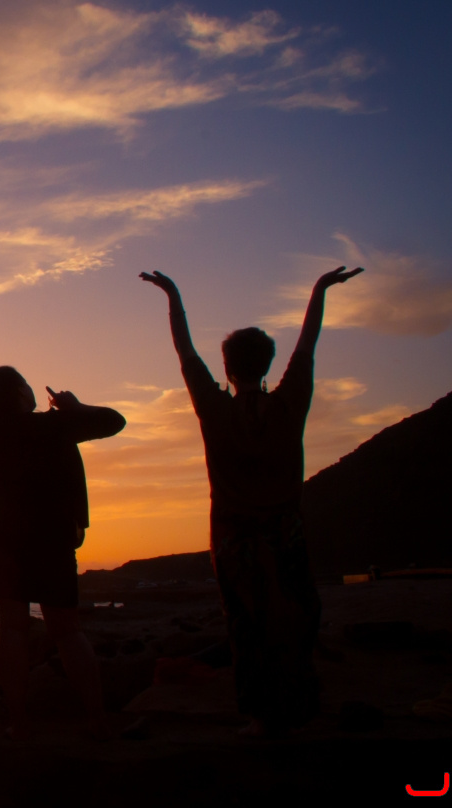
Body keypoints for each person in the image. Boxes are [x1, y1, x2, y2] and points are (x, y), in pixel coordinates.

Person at [141, 265, 362, 737]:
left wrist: (172, 294)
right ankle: (299, 708)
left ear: (227, 368)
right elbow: (307, 345)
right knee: (295, 622)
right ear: (267, 365)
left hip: (234, 539)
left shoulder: (214, 408)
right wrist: (320, 289)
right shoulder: (289, 403)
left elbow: (185, 351)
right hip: (286, 535)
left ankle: (261, 717)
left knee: (247, 627)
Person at [0, 336, 124, 741]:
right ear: (19, 393)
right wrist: (75, 407)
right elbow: (114, 421)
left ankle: (19, 723)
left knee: (12, 629)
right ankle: (97, 718)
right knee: (67, 630)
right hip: (51, 538)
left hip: (1, 539)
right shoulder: (58, 424)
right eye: (24, 383)